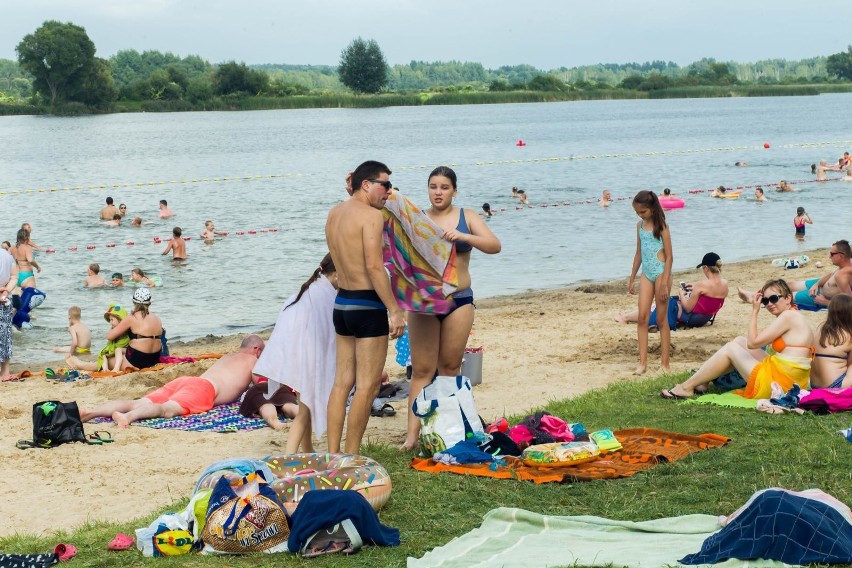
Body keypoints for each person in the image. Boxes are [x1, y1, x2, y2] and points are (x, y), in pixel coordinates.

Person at [402, 166, 502, 451]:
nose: (438, 192)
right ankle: (412, 436)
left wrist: (464, 237)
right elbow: (401, 257)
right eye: (433, 186)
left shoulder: (466, 217)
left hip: (459, 300)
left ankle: (447, 430)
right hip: (425, 302)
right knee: (421, 370)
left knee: (449, 367)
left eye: (444, 187)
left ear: (454, 190)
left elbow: (494, 245)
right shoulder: (419, 219)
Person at [325, 160, 406, 454]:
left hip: (343, 303)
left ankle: (333, 454)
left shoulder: (334, 213)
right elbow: (374, 266)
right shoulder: (371, 217)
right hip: (367, 305)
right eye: (385, 185)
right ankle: (352, 455)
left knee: (341, 384)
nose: (389, 191)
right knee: (368, 386)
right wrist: (394, 310)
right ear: (367, 185)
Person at [661, 279, 813, 399]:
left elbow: (753, 343)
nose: (770, 304)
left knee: (731, 349)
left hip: (780, 385)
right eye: (765, 301)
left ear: (788, 298)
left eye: (774, 298)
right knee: (739, 341)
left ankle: (686, 387)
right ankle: (702, 382)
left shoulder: (788, 316)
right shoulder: (793, 315)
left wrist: (755, 311)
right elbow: (751, 343)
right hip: (789, 379)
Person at [247, 254, 339, 447]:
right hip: (304, 357)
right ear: (337, 274)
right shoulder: (322, 296)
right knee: (305, 412)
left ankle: (307, 449)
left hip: (294, 355)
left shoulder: (308, 291)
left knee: (305, 406)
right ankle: (290, 454)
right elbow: (325, 332)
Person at [80, 335, 265, 428]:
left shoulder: (228, 356)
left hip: (187, 381)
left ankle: (90, 412)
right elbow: (261, 385)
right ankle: (127, 417)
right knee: (166, 409)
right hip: (204, 389)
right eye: (262, 351)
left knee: (137, 402)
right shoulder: (253, 361)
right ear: (256, 349)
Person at [617, 252, 728, 330]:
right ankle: (627, 316)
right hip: (704, 318)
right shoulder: (724, 284)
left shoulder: (702, 285)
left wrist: (681, 293)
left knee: (661, 305)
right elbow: (710, 298)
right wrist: (695, 290)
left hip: (691, 319)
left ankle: (626, 317)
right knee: (662, 305)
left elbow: (688, 308)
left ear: (706, 268)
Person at [627, 190, 673, 375]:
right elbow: (639, 254)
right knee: (642, 318)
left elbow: (670, 257)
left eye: (643, 212)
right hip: (646, 274)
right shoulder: (639, 226)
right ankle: (643, 363)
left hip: (662, 273)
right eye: (637, 212)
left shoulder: (662, 227)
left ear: (652, 209)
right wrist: (632, 277)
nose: (640, 215)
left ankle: (665, 364)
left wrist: (663, 283)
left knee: (662, 320)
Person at [738, 240, 852, 310]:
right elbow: (831, 274)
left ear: (841, 256)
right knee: (789, 284)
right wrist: (817, 284)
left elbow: (849, 303)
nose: (829, 256)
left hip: (820, 297)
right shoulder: (846, 263)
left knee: (787, 296)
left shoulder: (842, 275)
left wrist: (825, 302)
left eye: (832, 254)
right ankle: (756, 294)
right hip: (820, 285)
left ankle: (756, 298)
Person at [108, 287, 163, 370]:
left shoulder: (132, 318)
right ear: (149, 303)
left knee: (109, 361)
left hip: (137, 359)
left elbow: (110, 336)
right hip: (155, 358)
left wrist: (113, 325)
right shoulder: (157, 318)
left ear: (134, 302)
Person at [66, 304, 130, 373]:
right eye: (110, 320)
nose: (110, 322)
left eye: (112, 320)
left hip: (123, 350)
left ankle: (116, 368)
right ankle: (105, 369)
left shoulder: (124, 330)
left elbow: (110, 338)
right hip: (115, 351)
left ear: (120, 320)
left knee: (118, 350)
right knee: (103, 355)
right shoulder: (114, 329)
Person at [810, 295, 852, 389]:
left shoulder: (821, 328)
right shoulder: (849, 334)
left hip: (814, 385)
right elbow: (850, 364)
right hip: (835, 385)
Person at [0, 246, 17, 381]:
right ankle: (5, 372)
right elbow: (14, 277)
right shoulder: (7, 255)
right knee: (6, 335)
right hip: (5, 298)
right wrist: (5, 292)